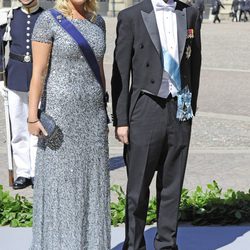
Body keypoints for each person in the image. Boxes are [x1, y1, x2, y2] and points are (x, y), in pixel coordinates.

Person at [111, 0, 202, 249]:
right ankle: (134, 245)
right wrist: (121, 121)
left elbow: (195, 63)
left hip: (179, 107)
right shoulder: (131, 16)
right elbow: (120, 71)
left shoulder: (190, 13)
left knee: (172, 187)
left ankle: (166, 244)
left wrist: (190, 107)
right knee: (137, 189)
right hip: (145, 107)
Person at [28, 0, 110, 249]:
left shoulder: (98, 22)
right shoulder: (48, 21)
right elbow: (38, 72)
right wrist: (33, 116)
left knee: (92, 184)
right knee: (61, 185)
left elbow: (99, 68)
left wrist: (104, 108)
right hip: (61, 116)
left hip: (93, 116)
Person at [0, 0, 43, 189]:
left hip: (39, 78)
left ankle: (37, 171)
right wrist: (1, 77)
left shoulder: (46, 17)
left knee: (37, 126)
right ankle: (23, 172)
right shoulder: (9, 17)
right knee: (18, 128)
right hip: (15, 76)